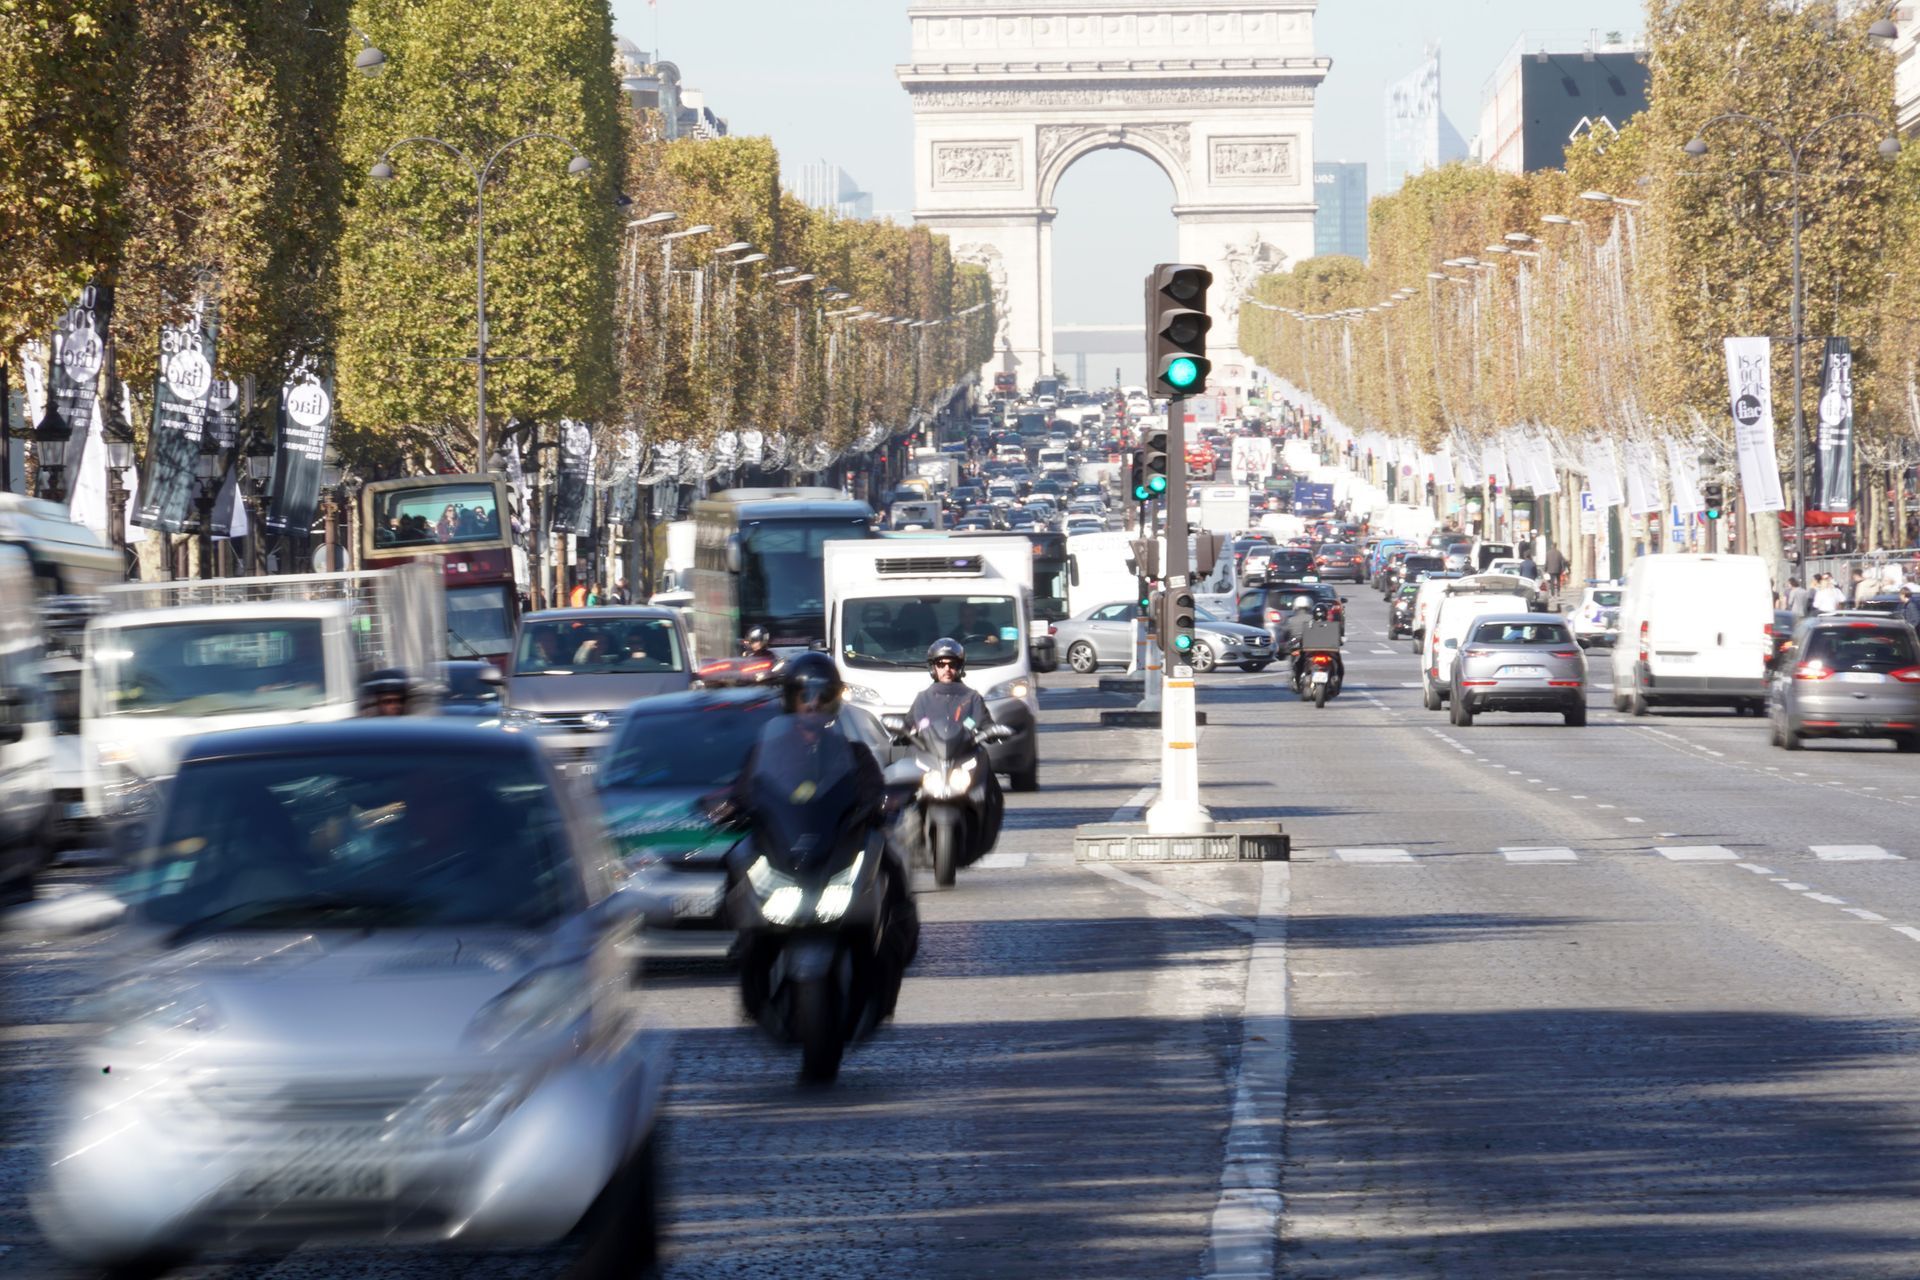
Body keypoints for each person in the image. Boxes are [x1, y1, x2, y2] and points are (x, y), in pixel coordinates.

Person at [909, 638, 995, 733]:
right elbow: (907, 725)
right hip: (930, 747)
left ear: (959, 667)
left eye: (952, 664)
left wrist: (992, 731)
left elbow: (985, 723)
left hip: (965, 746)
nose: (947, 669)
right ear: (933, 669)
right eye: (941, 664)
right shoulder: (923, 698)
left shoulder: (972, 697)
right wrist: (902, 732)